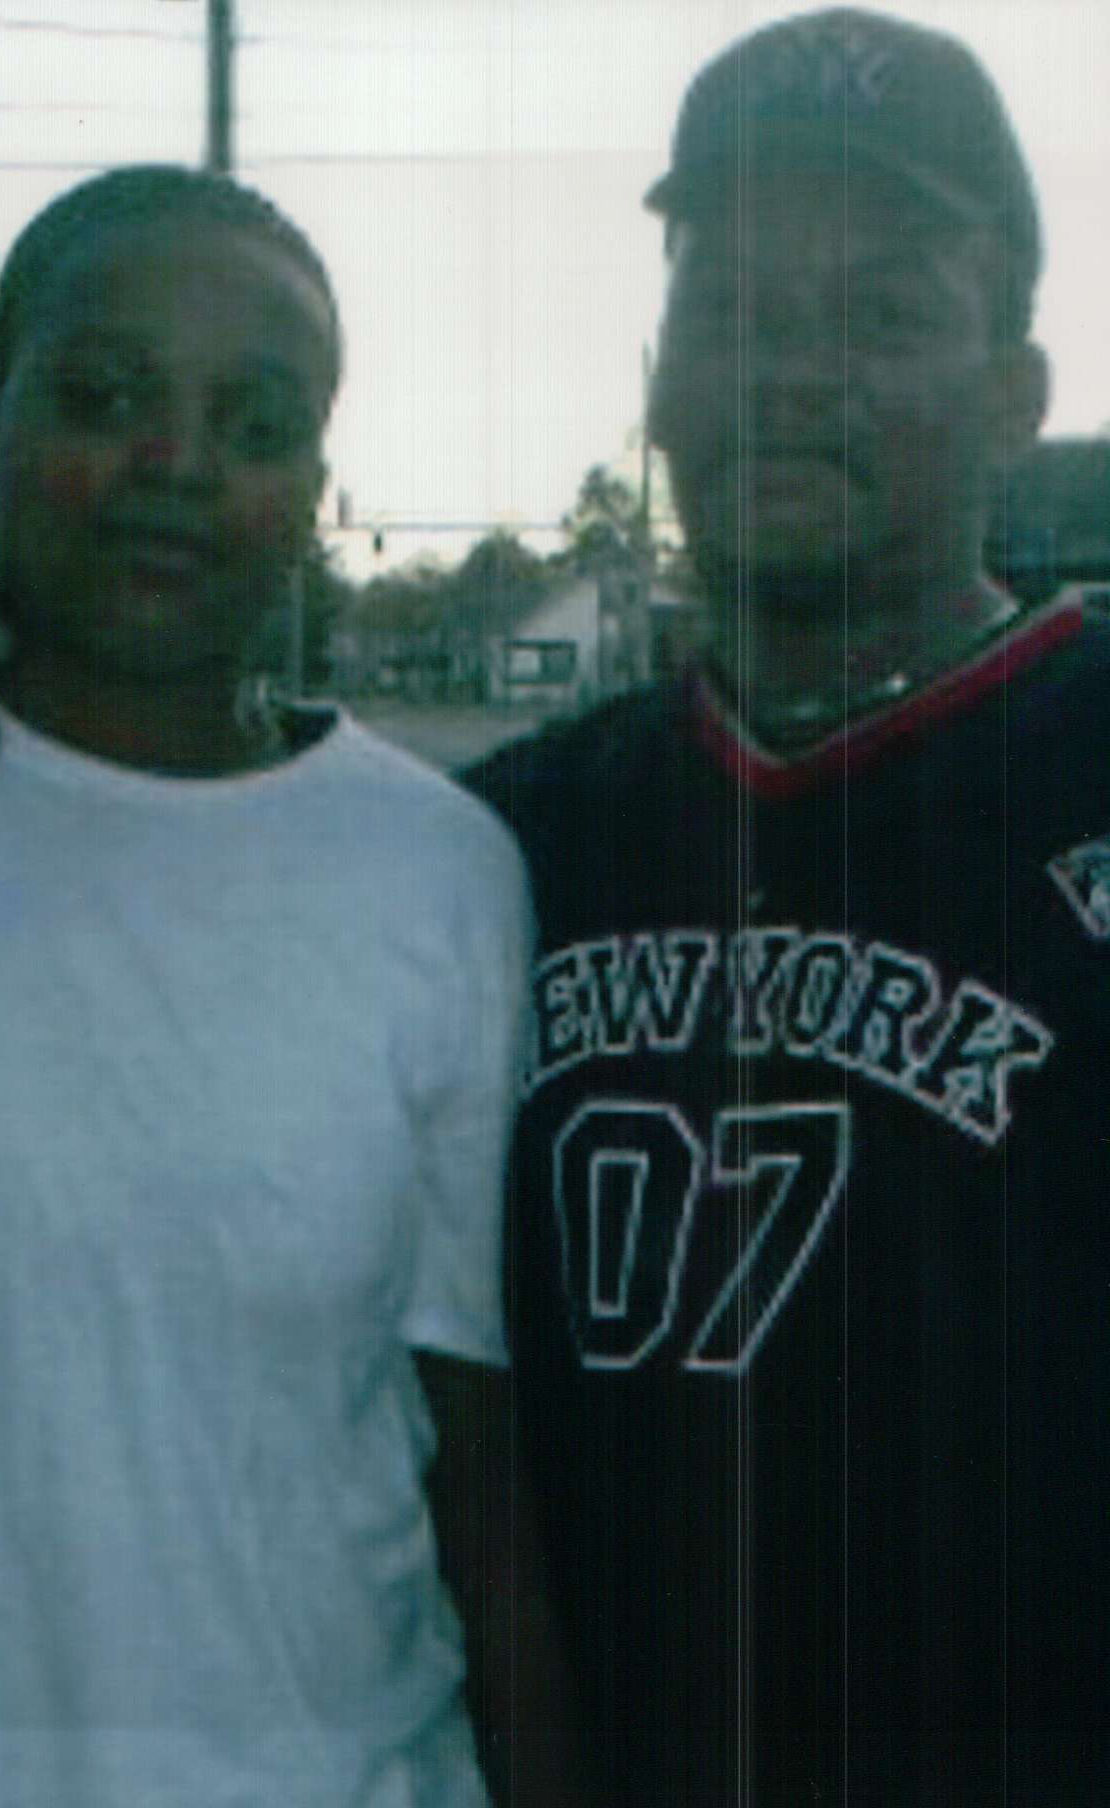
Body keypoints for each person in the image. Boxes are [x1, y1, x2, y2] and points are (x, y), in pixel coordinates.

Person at [468, 10, 1110, 1805]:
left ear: (1015, 392)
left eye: (882, 313)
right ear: (657, 373)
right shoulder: (496, 841)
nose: (790, 373)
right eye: (734, 308)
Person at [0, 163, 571, 1808]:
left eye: (257, 422)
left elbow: (477, 1473)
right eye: (105, 397)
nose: (177, 463)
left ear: (313, 494)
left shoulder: (439, 870)